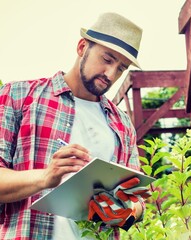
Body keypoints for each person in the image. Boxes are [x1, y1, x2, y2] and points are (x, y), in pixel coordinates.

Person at [0, 12, 147, 239]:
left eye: (121, 68)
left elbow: (136, 202)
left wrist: (128, 211)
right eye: (107, 59)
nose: (110, 74)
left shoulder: (122, 123)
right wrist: (45, 177)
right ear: (81, 47)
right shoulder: (18, 96)